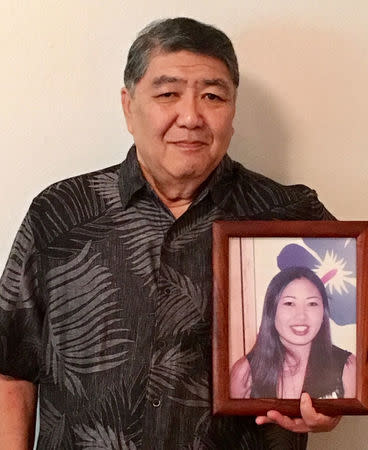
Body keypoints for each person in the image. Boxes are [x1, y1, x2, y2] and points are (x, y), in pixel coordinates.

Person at [0, 17, 341, 449]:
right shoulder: (61, 214)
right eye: (167, 94)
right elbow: (11, 368)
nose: (191, 117)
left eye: (213, 96)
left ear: (233, 110)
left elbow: (353, 344)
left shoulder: (294, 218)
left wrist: (337, 403)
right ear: (128, 106)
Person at [231, 267, 356, 400]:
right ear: (271, 310)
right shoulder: (244, 372)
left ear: (323, 313)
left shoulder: (348, 367)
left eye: (312, 303)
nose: (301, 316)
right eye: (289, 303)